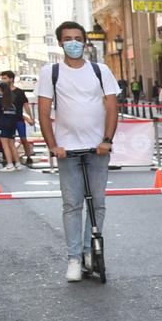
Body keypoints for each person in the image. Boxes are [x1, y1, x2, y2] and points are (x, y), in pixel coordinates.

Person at [35, 22, 122, 282]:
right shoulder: (50, 72)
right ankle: (73, 258)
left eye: (77, 38)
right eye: (68, 39)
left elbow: (111, 106)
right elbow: (43, 110)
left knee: (97, 204)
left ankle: (88, 252)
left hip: (97, 148)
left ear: (85, 42)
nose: (73, 43)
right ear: (60, 43)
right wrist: (52, 145)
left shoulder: (100, 70)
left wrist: (107, 139)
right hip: (67, 149)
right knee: (72, 205)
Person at [0, 70, 27, 170]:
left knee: (5, 144)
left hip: (2, 124)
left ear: (1, 90)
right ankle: (18, 164)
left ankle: (9, 164)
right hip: (12, 124)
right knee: (12, 144)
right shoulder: (11, 99)